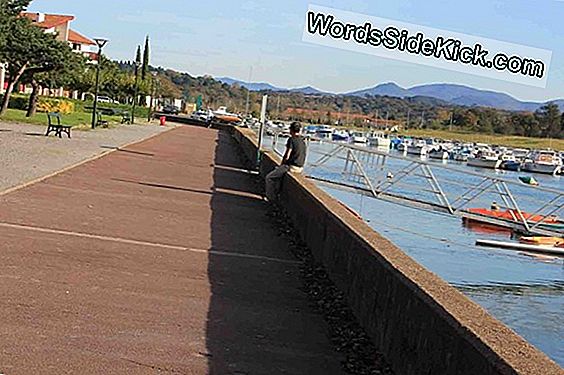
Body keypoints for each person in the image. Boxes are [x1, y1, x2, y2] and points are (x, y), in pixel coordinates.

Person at [265, 122, 307, 202]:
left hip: (291, 166)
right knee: (279, 177)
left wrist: (282, 164)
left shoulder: (292, 139)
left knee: (269, 178)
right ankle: (277, 196)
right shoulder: (302, 141)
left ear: (291, 130)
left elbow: (287, 155)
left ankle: (270, 198)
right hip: (300, 168)